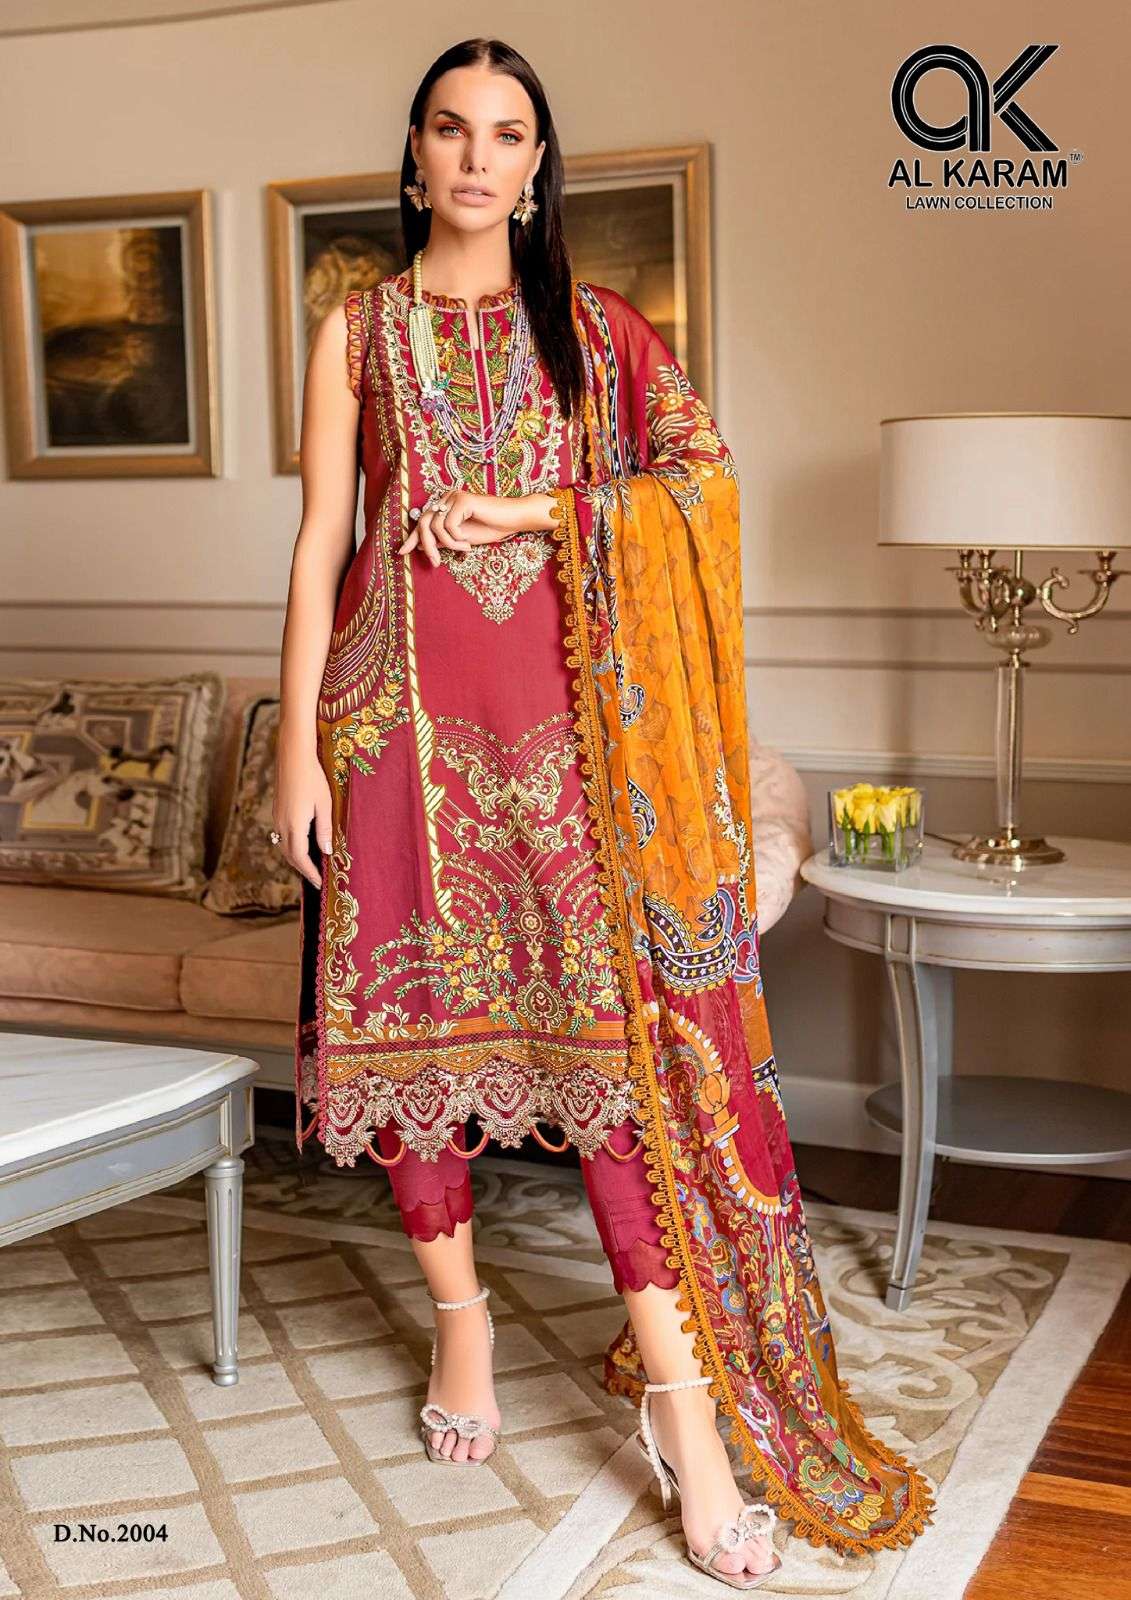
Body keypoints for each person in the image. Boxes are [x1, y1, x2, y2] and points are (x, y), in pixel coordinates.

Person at [273, 35, 932, 1590]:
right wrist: (296, 751)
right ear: (415, 153)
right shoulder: (356, 332)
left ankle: (688, 1424)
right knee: (412, 1053)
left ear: (537, 165)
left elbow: (704, 483)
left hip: (571, 755)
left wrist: (538, 506)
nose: (477, 157)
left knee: (615, 1080)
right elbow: (320, 542)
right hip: (389, 732)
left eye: (508, 133)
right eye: (452, 129)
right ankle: (463, 1331)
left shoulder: (596, 332)